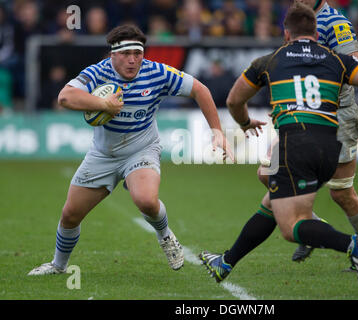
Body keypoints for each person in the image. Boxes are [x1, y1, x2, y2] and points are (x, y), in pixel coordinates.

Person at [200, 3, 358, 289]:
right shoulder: (333, 59)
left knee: (304, 216)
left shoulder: (291, 49)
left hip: (323, 124)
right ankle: (226, 262)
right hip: (326, 137)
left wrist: (250, 121)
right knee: (272, 187)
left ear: (287, 33)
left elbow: (234, 101)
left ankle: (355, 244)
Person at [28, 24, 233, 276]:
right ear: (112, 54)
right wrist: (103, 103)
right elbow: (65, 97)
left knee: (145, 200)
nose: (133, 60)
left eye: (138, 53)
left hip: (142, 149)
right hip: (103, 154)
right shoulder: (98, 72)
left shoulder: (157, 72)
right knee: (70, 214)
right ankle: (58, 266)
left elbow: (200, 90)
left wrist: (217, 131)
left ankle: (165, 235)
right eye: (126, 54)